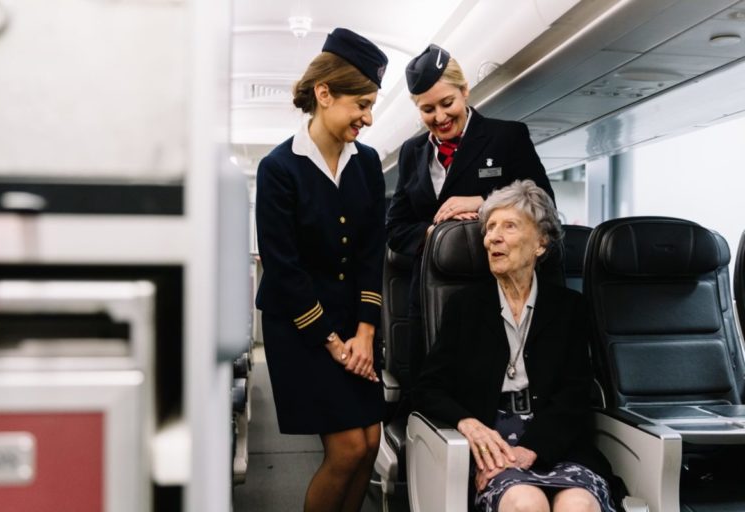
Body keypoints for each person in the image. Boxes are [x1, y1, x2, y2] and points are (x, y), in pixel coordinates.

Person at [414, 180, 622, 512]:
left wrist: (532, 449)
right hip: (490, 439)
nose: (492, 237)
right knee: (526, 503)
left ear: (541, 243)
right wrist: (469, 424)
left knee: (578, 506)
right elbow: (428, 388)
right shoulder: (465, 306)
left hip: (556, 439)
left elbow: (575, 394)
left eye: (508, 226)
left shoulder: (569, 308)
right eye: (490, 227)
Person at [254, 28, 388, 512]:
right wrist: (334, 342)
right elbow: (284, 267)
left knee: (370, 443)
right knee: (347, 447)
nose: (368, 118)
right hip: (301, 326)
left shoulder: (367, 164)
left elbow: (373, 249)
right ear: (324, 93)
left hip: (357, 327)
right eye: (362, 104)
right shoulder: (279, 168)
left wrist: (366, 333)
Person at [386, 44, 557, 389]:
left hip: (495, 285)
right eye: (427, 109)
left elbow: (544, 203)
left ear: (465, 91)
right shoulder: (412, 152)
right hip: (432, 286)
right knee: (431, 386)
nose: (440, 117)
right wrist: (434, 235)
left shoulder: (506, 136)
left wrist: (484, 204)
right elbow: (396, 227)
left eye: (447, 103)